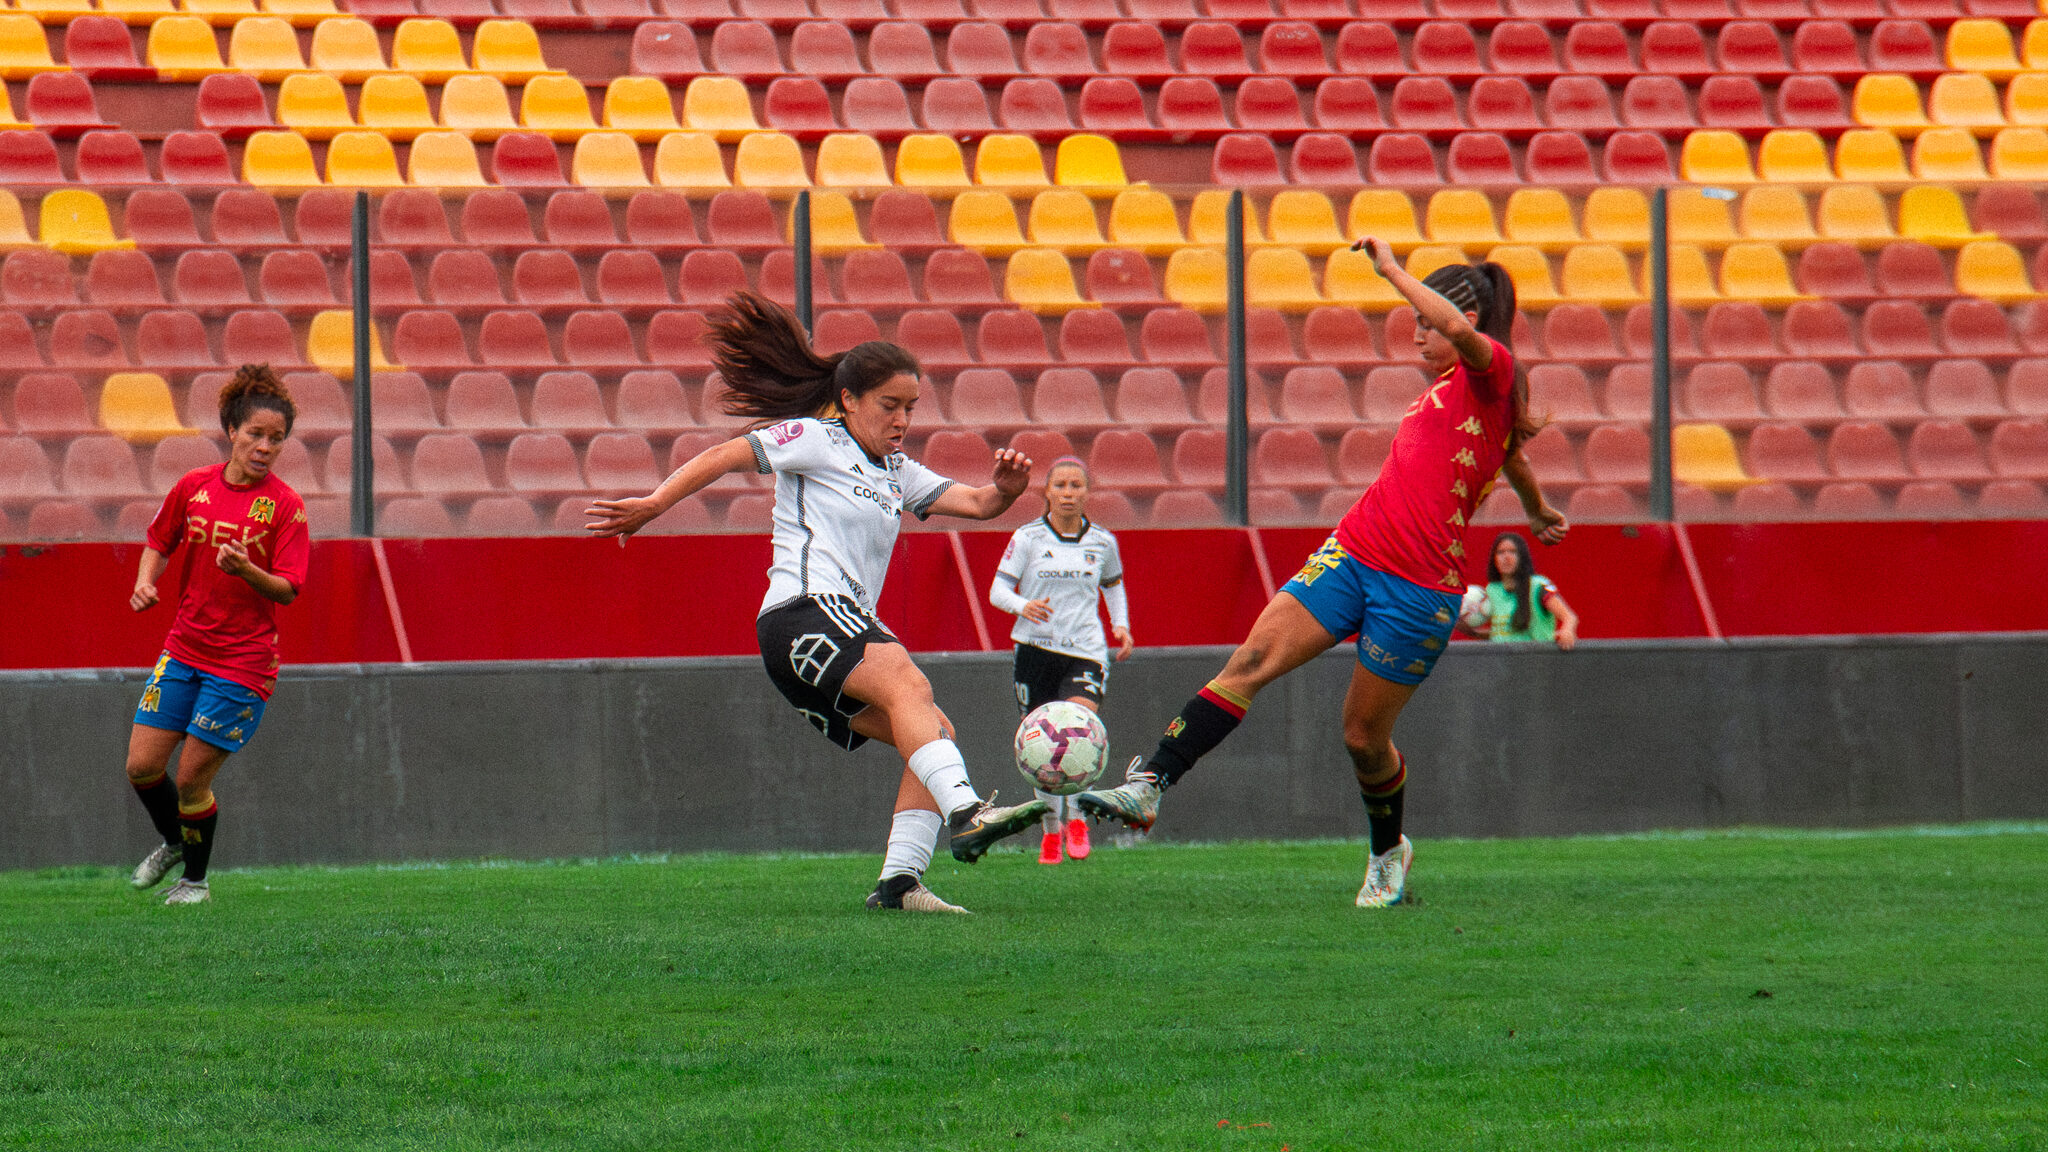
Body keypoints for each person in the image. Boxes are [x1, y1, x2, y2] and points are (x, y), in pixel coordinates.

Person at [1076, 241, 1569, 908]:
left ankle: (1387, 854)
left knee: (1363, 739)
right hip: (1355, 551)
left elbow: (1465, 351)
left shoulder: (1495, 372)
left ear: (1467, 316)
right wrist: (1538, 509)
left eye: (1425, 321)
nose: (1418, 333)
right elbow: (1511, 457)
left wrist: (1393, 271)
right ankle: (1151, 784)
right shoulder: (1459, 397)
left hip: (1420, 589)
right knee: (1249, 660)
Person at [587, 292, 1048, 915]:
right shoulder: (814, 438)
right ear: (850, 400)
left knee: (932, 733)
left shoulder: (897, 471)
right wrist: (652, 505)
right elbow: (727, 454)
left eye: (910, 407)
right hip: (803, 612)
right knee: (907, 683)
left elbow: (977, 505)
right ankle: (966, 812)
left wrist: (1006, 490)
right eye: (889, 405)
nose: (902, 419)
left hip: (824, 633)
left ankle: (898, 885)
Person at [125, 365, 309, 906]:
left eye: (277, 439)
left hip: (242, 664)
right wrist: (144, 582)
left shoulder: (286, 507)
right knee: (141, 766)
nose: (265, 446)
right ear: (232, 430)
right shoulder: (193, 487)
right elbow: (159, 540)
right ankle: (172, 842)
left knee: (190, 781)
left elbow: (289, 589)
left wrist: (247, 570)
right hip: (184, 649)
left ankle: (195, 884)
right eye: (256, 434)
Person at [988, 457, 1133, 866]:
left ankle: (1080, 818)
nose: (1069, 493)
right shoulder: (1028, 537)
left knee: (1079, 731)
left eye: (1076, 486)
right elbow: (998, 591)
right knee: (1043, 748)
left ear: (1087, 492)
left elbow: (1114, 585)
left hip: (1085, 651)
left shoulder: (1103, 542)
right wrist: (1024, 605)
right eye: (1061, 486)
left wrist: (1121, 626)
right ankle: (1052, 830)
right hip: (1034, 651)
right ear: (1046, 492)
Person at [1459, 532, 1580, 650]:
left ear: (1522, 557)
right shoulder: (1492, 590)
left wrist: (1567, 630)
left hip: (1536, 662)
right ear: (1494, 559)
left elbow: (1569, 617)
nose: (1506, 557)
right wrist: (1471, 631)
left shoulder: (1538, 585)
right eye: (1500, 552)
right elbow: (1502, 634)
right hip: (1503, 664)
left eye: (1512, 551)